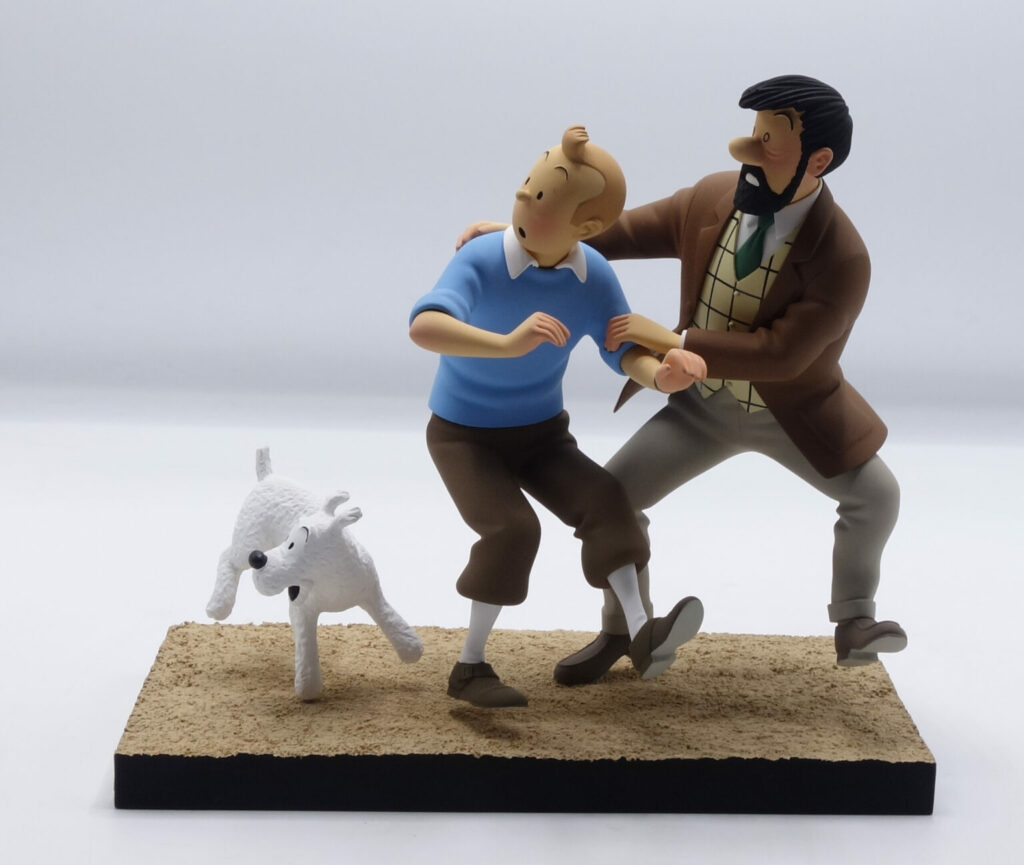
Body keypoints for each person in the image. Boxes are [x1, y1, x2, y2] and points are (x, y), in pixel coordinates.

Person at [458, 77, 906, 686]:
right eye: (753, 132)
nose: (745, 149)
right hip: (701, 408)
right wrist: (530, 235)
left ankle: (855, 620)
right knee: (613, 499)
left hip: (790, 414)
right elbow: (619, 231)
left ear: (818, 159)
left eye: (768, 140)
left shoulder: (842, 256)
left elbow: (785, 355)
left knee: (877, 496)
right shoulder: (712, 198)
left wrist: (676, 341)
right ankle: (626, 630)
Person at [411, 126, 706, 707]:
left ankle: (642, 632)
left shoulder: (593, 274)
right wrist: (505, 344)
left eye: (543, 194)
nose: (524, 196)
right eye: (529, 182)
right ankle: (469, 667)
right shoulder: (480, 258)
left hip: (542, 436)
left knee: (607, 500)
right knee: (513, 530)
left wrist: (661, 376)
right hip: (463, 437)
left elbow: (622, 347)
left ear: (587, 228)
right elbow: (424, 326)